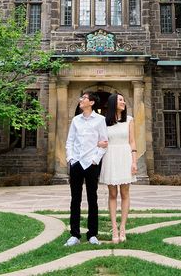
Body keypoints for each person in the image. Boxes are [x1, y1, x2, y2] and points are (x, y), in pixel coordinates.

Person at [65, 91, 108, 246]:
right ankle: (74, 235)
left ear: (91, 103)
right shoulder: (76, 120)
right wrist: (70, 159)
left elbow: (104, 142)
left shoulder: (100, 120)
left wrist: (95, 160)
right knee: (75, 200)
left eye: (83, 98)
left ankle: (92, 234)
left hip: (91, 164)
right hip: (76, 163)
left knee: (92, 199)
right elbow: (69, 141)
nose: (80, 100)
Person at [98, 92, 138, 243]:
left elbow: (132, 142)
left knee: (125, 193)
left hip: (125, 156)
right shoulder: (103, 122)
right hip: (110, 157)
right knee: (113, 194)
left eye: (124, 100)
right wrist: (99, 144)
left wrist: (134, 161)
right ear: (113, 102)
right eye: (121, 100)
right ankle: (114, 227)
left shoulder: (129, 120)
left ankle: (123, 228)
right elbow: (98, 140)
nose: (124, 102)